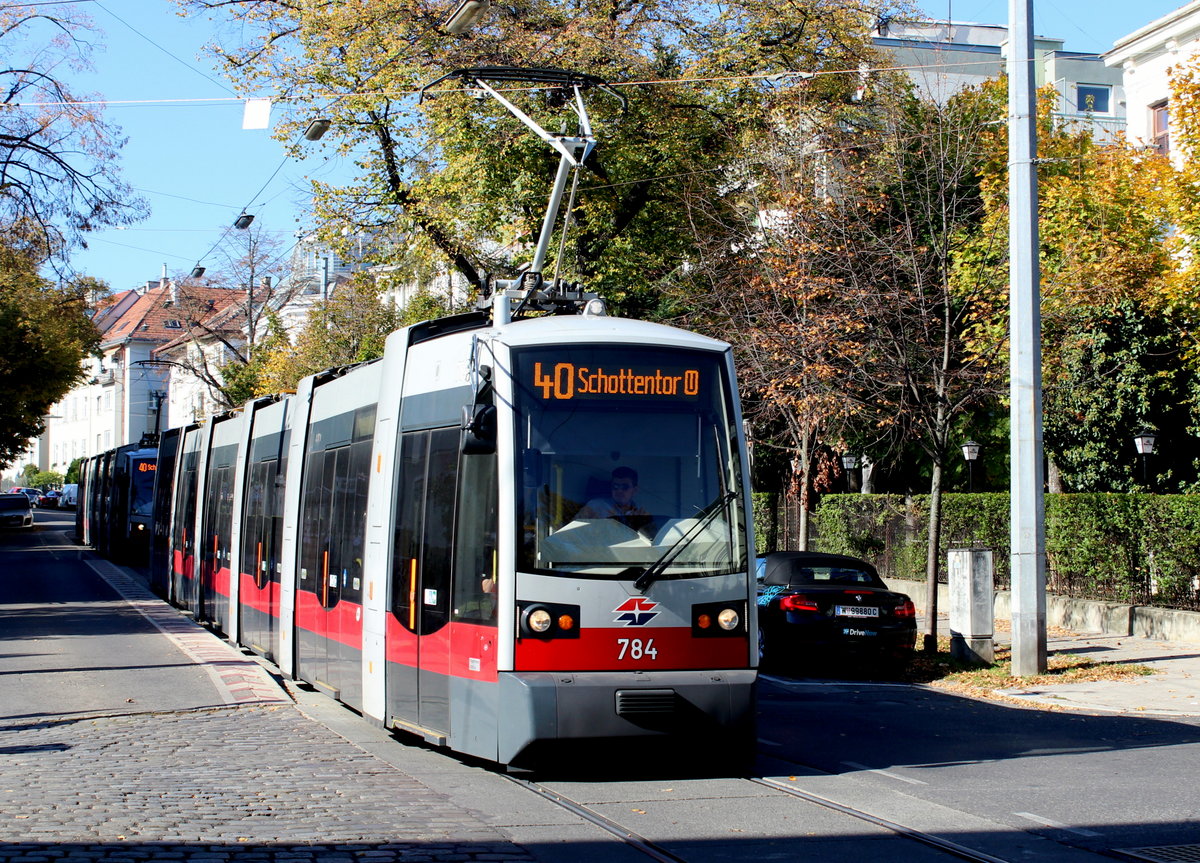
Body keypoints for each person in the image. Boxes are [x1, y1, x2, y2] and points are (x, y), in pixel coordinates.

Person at [577, 467, 651, 528]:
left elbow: (651, 538)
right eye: (615, 486)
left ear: (635, 490)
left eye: (625, 487)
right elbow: (574, 531)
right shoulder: (594, 506)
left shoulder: (641, 513)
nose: (619, 490)